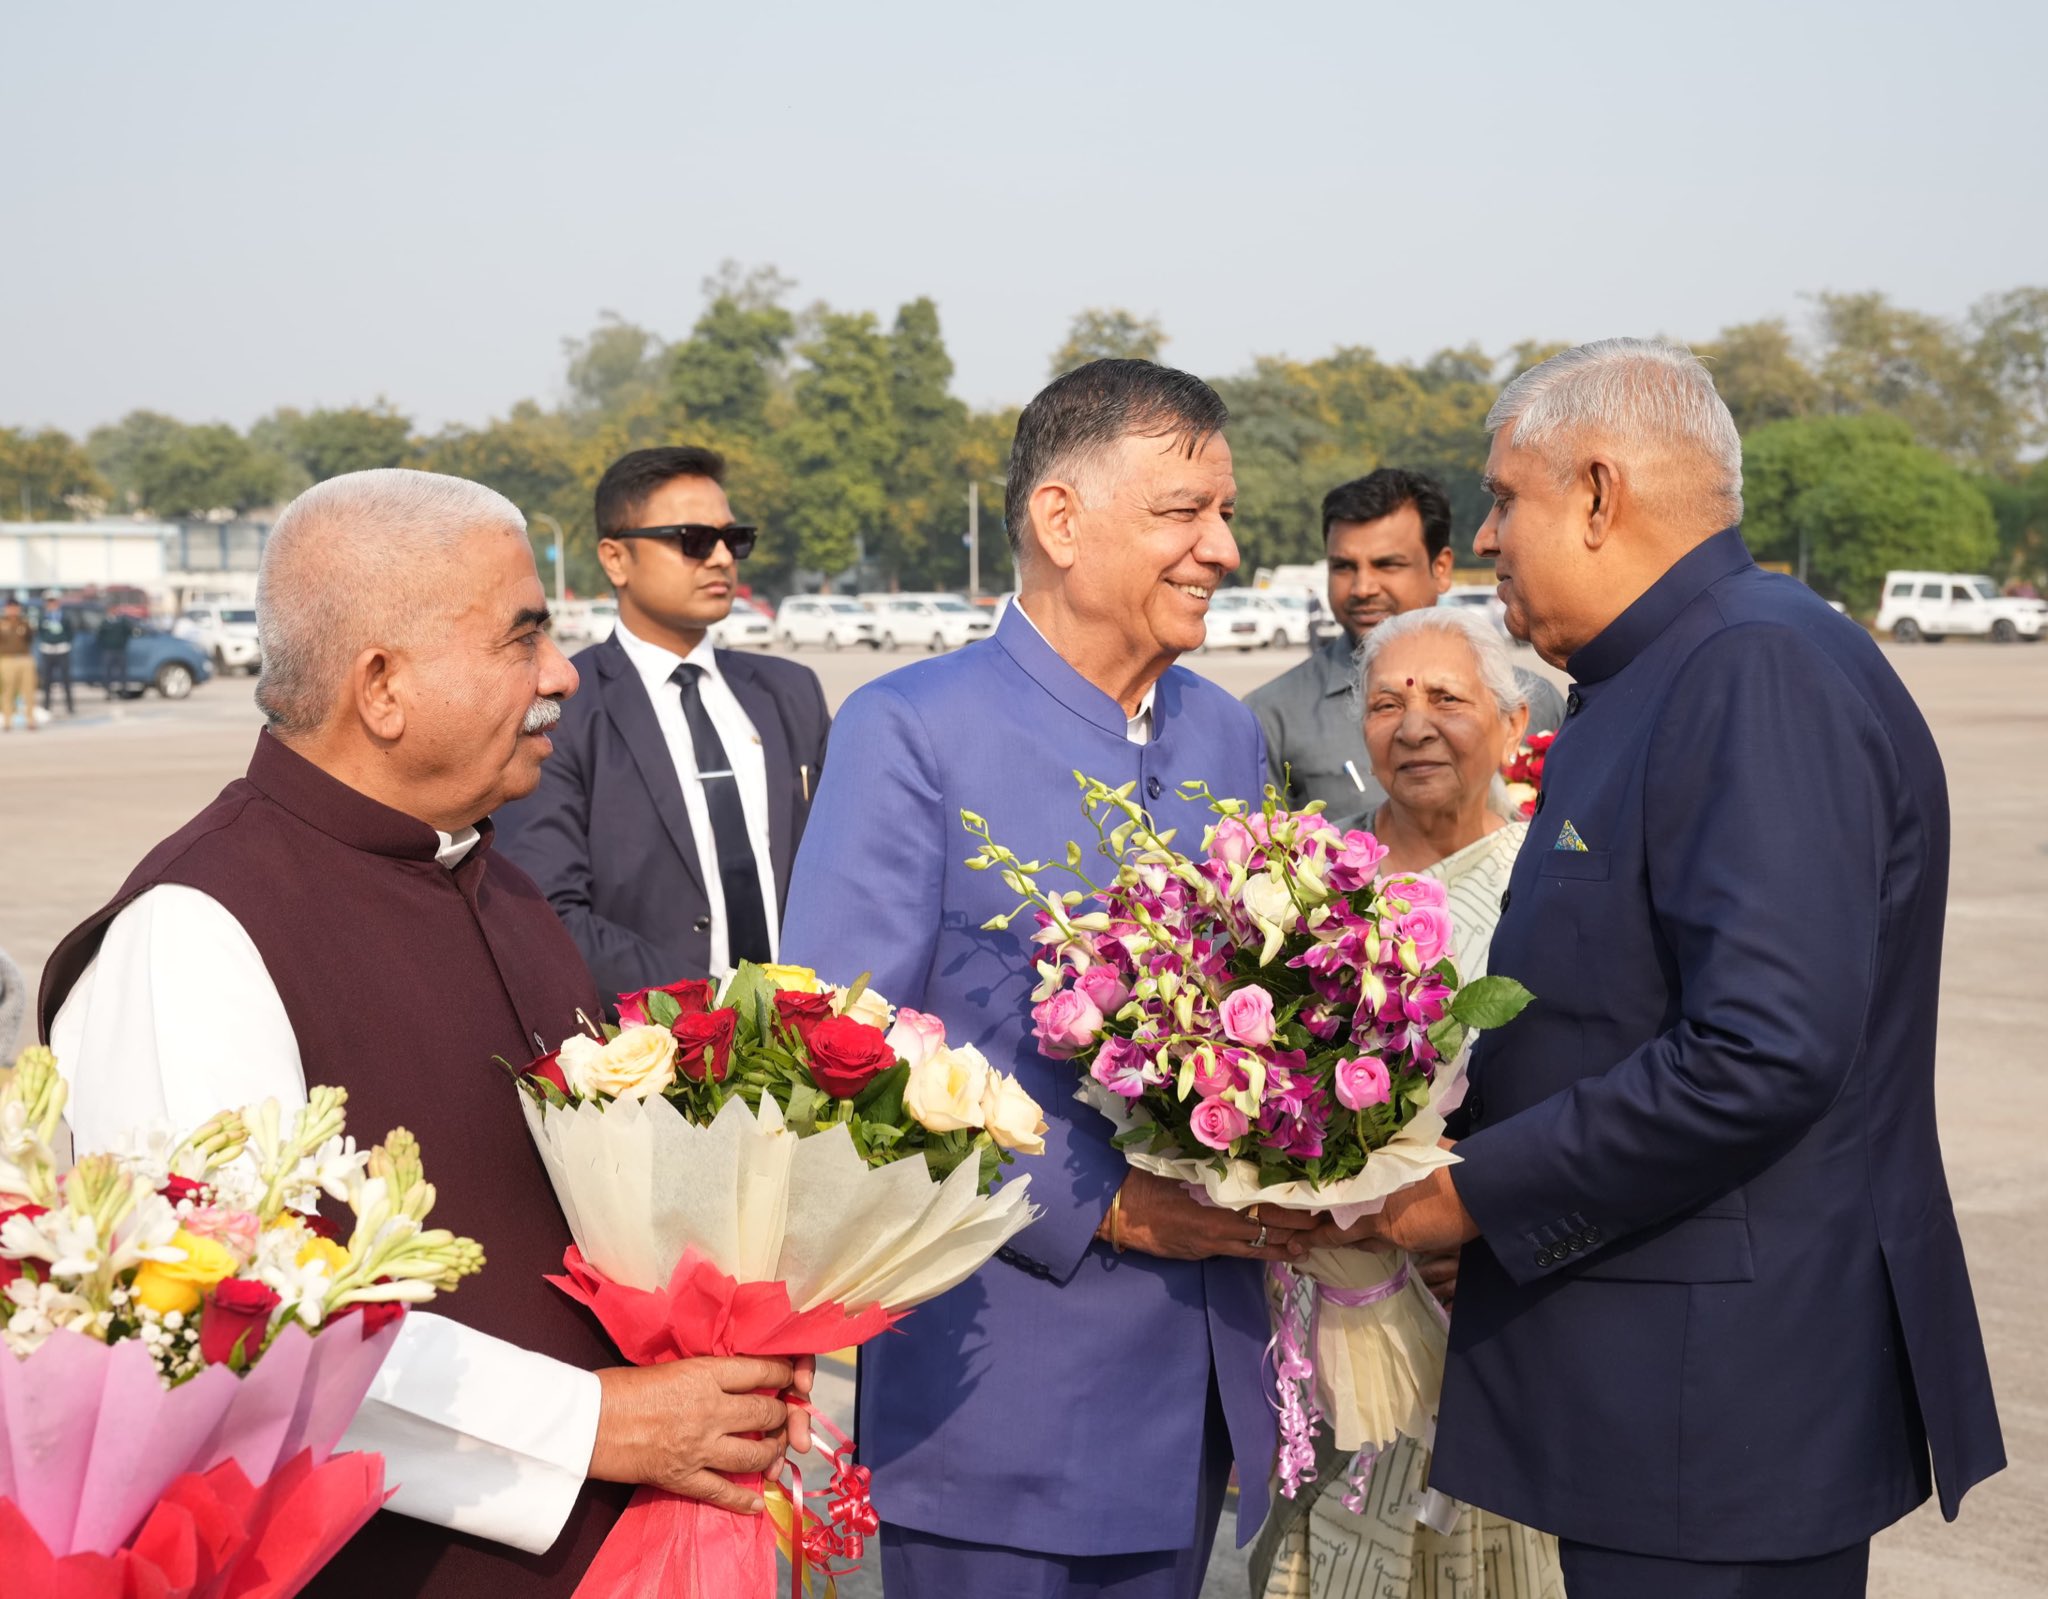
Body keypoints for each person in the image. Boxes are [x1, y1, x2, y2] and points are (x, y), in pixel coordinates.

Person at [40, 468, 806, 1599]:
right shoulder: (195, 935)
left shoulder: (496, 885)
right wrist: (590, 1422)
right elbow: (224, 1323)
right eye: (522, 637)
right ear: (383, 687)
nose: (560, 676)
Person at [1319, 340, 2005, 1598]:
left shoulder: (1755, 668)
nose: (1481, 538)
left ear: (1595, 491)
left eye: (1502, 498)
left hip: (1714, 1409)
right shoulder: (1657, 673)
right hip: (1659, 1395)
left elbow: (1761, 1049)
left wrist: (1479, 1192)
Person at [781, 360, 1314, 1599]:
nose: (1221, 549)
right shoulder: (909, 728)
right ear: (1059, 521)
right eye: (1183, 512)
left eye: (1225, 514)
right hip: (999, 1400)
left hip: (1198, 1390)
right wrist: (1104, 1207)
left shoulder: (1224, 735)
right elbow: (835, 1049)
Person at [1249, 605, 1562, 1599]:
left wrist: (1498, 1228)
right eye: (1385, 703)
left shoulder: (1556, 883)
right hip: (1326, 1310)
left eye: (1445, 699)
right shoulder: (1303, 882)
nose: (1412, 724)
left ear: (1514, 725)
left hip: (1489, 1315)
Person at [496, 446, 830, 1003]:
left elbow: (838, 876)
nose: (722, 557)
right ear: (615, 559)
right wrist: (720, 1012)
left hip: (805, 1043)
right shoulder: (562, 708)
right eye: (693, 540)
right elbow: (549, 910)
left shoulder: (790, 693)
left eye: (734, 538)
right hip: (648, 1057)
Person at [1245, 469, 1564, 833]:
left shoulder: (1529, 701)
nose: (1363, 587)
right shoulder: (1271, 718)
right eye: (1344, 567)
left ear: (1441, 568)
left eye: (1387, 565)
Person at [0, 597, 35, 731]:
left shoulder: (25, 623)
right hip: (7, 659)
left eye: (15, 607)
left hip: (24, 658)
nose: (13, 610)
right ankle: (8, 720)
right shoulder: (1, 623)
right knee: (8, 690)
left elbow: (31, 638)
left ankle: (30, 719)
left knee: (28, 689)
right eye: (10, 607)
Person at [37, 596, 74, 716]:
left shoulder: (65, 617)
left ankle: (70, 706)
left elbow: (70, 632)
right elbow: (40, 632)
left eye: (54, 603)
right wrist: (45, 642)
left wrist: (65, 642)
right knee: (47, 680)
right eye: (49, 603)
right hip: (48, 651)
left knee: (66, 680)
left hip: (62, 650)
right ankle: (46, 706)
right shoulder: (43, 617)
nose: (52, 606)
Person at [95, 607, 134, 697]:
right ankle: (108, 692)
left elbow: (129, 631)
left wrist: (123, 642)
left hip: (120, 649)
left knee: (123, 672)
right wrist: (105, 644)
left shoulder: (122, 622)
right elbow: (99, 635)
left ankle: (124, 691)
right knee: (107, 672)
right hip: (108, 650)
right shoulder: (105, 623)